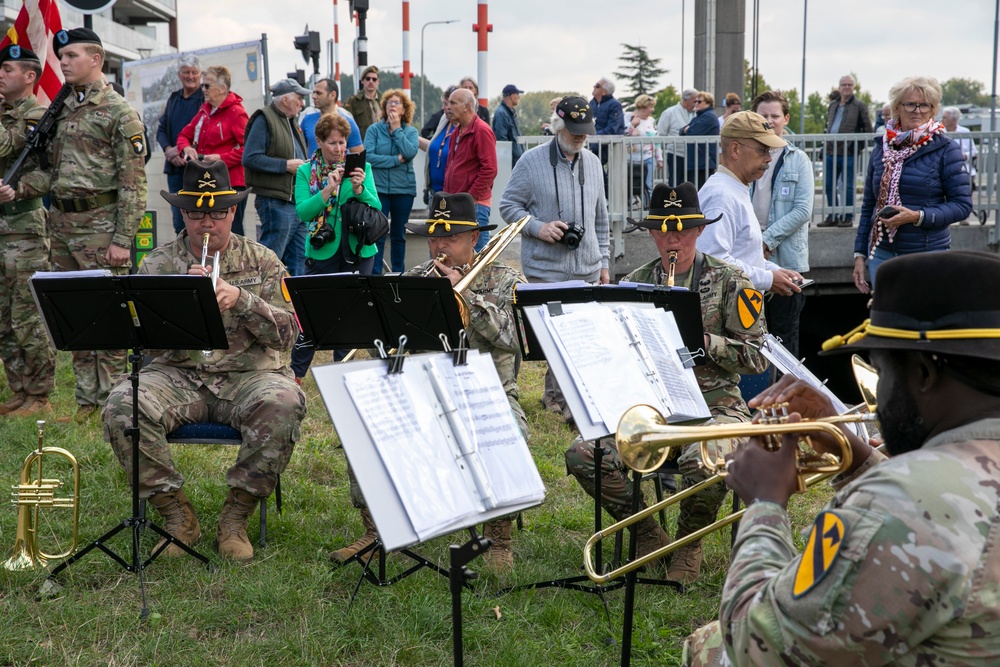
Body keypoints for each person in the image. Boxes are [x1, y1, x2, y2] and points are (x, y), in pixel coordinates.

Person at [683, 250, 1000, 666]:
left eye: (882, 373)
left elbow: (758, 642)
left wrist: (763, 504)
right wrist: (854, 455)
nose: (877, 395)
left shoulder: (897, 500)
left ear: (923, 374)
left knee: (708, 650)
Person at [102, 159, 305, 562]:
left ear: (232, 212)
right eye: (196, 212)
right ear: (182, 213)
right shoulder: (159, 264)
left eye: (216, 212)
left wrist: (243, 301)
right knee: (123, 405)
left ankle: (236, 515)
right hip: (179, 373)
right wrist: (181, 305)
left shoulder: (263, 260)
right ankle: (176, 513)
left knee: (284, 402)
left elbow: (289, 334)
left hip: (248, 375)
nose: (206, 223)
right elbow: (141, 340)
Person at [566, 182, 767, 583]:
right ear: (653, 234)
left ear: (698, 231)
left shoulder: (732, 281)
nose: (672, 239)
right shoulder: (633, 284)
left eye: (682, 230)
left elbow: (757, 356)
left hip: (716, 407)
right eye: (663, 230)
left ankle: (688, 542)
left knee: (703, 459)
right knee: (583, 453)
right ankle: (647, 535)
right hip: (654, 406)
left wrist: (705, 342)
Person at [332, 192, 527, 570]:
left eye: (450, 237)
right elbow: (388, 347)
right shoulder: (414, 280)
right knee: (361, 420)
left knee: (510, 431)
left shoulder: (507, 279)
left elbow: (515, 339)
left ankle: (498, 537)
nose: (439, 246)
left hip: (488, 395)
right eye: (435, 238)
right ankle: (377, 528)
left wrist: (466, 296)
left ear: (474, 238)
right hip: (423, 394)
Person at [49, 27, 147, 422]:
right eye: (62, 56)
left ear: (96, 59)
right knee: (73, 312)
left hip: (101, 227)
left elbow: (134, 184)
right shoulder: (62, 107)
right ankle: (85, 400)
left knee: (106, 314)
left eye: (72, 55)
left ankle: (111, 400)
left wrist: (122, 239)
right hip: (62, 226)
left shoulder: (119, 112)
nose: (64, 62)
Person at [499, 96, 610, 424]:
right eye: (575, 131)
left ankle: (567, 395)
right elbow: (508, 206)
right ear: (558, 126)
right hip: (546, 268)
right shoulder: (531, 162)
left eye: (585, 133)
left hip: (588, 267)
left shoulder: (592, 163)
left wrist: (604, 263)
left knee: (581, 336)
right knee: (558, 336)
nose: (580, 138)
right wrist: (538, 227)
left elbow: (600, 219)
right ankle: (555, 396)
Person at [852, 76, 972, 294]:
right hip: (881, 254)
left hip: (926, 254)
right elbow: (869, 205)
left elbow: (962, 205)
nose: (917, 110)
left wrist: (917, 216)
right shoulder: (882, 148)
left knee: (924, 321)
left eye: (924, 105)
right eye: (910, 104)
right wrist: (859, 254)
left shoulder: (946, 149)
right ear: (897, 107)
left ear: (933, 109)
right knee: (888, 323)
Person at [290, 113, 380, 381]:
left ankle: (344, 373)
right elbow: (303, 213)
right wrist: (327, 190)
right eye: (332, 143)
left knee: (350, 314)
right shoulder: (306, 171)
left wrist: (359, 187)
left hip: (358, 249)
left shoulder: (363, 168)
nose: (339, 149)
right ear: (318, 141)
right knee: (312, 311)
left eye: (343, 142)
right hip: (322, 249)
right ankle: (296, 372)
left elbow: (376, 207)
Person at [0, 44, 55, 417]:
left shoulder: (38, 115)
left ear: (29, 76)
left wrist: (20, 188)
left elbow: (50, 169)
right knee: (3, 316)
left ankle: (40, 395)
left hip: (23, 229)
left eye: (6, 69)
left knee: (27, 315)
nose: (0, 75)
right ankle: (18, 389)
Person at [697, 111, 803, 296]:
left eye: (769, 151)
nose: (769, 158)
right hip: (728, 318)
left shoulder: (734, 188)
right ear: (735, 150)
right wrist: (768, 279)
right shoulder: (721, 196)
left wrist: (772, 270)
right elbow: (713, 262)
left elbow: (742, 254)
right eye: (762, 150)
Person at [749, 90, 813, 358]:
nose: (769, 120)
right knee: (751, 337)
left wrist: (767, 239)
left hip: (786, 260)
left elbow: (803, 210)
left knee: (784, 339)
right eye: (763, 115)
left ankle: (789, 398)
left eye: (775, 115)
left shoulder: (798, 159)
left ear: (785, 118)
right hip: (750, 259)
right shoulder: (746, 155)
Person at [243, 78, 309, 276]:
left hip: (295, 201)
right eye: (299, 98)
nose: (302, 103)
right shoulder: (265, 119)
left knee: (298, 260)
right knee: (270, 260)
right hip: (276, 201)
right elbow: (250, 158)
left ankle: (297, 305)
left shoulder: (290, 121)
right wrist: (286, 165)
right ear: (286, 99)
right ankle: (258, 302)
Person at [176, 65, 249, 236]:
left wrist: (221, 158)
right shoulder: (205, 110)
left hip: (230, 184)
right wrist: (186, 148)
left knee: (231, 232)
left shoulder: (237, 113)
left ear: (222, 88)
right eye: (203, 85)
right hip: (207, 183)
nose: (203, 89)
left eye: (207, 86)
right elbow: (183, 135)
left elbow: (249, 150)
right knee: (207, 229)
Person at [364, 88, 418, 274]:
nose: (392, 105)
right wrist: (395, 160)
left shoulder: (410, 131)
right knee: (377, 233)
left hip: (403, 190)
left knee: (398, 235)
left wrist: (397, 131)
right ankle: (375, 275)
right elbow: (369, 157)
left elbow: (410, 152)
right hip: (378, 189)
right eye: (389, 102)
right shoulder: (374, 130)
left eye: (397, 103)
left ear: (404, 110)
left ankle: (398, 274)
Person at [444, 87, 497, 253]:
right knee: (459, 256)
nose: (447, 107)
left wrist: (471, 198)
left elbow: (490, 169)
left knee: (476, 257)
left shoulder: (481, 130)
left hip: (475, 206)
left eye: (453, 103)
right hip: (457, 204)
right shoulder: (456, 133)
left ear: (467, 106)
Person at [156, 54, 204, 234]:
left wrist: (186, 151)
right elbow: (161, 130)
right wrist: (169, 150)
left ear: (200, 74)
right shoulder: (174, 98)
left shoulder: (204, 100)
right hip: (175, 169)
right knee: (179, 221)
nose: (190, 76)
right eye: (186, 72)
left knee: (198, 219)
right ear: (179, 74)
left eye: (194, 72)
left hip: (197, 169)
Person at [817, 75, 873, 228]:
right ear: (839, 87)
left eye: (849, 84)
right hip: (830, 151)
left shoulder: (859, 105)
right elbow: (828, 126)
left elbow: (868, 129)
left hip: (848, 153)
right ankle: (833, 215)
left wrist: (857, 147)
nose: (846, 87)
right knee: (828, 185)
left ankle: (847, 216)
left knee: (848, 186)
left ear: (853, 87)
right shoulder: (833, 105)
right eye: (844, 85)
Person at [300, 78, 363, 156]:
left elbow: (358, 156)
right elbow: (298, 150)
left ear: (332, 95)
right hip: (312, 167)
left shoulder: (347, 123)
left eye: (318, 93)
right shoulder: (307, 120)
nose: (313, 96)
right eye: (314, 93)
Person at [624, 93, 662, 205]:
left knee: (648, 184)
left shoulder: (652, 120)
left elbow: (657, 140)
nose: (652, 110)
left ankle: (648, 208)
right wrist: (632, 125)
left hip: (648, 157)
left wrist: (659, 159)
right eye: (650, 107)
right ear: (641, 107)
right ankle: (629, 207)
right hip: (630, 159)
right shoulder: (628, 117)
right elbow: (622, 133)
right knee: (630, 184)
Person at [423, 85, 459, 204]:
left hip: (454, 195)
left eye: (446, 103)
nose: (443, 107)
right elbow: (434, 148)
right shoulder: (444, 121)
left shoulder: (467, 128)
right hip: (435, 192)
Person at [657, 88, 698, 184]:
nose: (696, 104)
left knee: (691, 185)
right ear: (685, 100)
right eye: (694, 101)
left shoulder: (697, 113)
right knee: (675, 183)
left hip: (693, 155)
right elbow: (661, 134)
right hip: (676, 154)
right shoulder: (669, 113)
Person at [681, 91, 720, 189]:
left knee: (700, 192)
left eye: (699, 101)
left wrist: (687, 129)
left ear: (708, 103)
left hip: (703, 162)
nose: (696, 104)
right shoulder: (699, 117)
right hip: (697, 162)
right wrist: (686, 130)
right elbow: (682, 130)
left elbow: (691, 133)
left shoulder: (709, 116)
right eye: (695, 101)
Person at [942, 105, 977, 203]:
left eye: (945, 117)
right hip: (945, 169)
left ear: (953, 120)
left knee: (963, 196)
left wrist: (965, 156)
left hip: (963, 168)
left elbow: (974, 151)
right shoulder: (940, 132)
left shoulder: (965, 132)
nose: (942, 119)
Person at [343, 65, 381, 143]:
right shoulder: (353, 101)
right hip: (362, 145)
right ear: (362, 81)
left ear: (378, 82)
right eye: (368, 79)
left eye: (374, 79)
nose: (371, 81)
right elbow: (344, 125)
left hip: (382, 146)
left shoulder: (385, 101)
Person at [492, 83, 524, 167]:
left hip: (514, 160)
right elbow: (501, 139)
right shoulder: (502, 113)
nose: (519, 97)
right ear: (512, 96)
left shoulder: (508, 113)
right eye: (517, 94)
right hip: (510, 163)